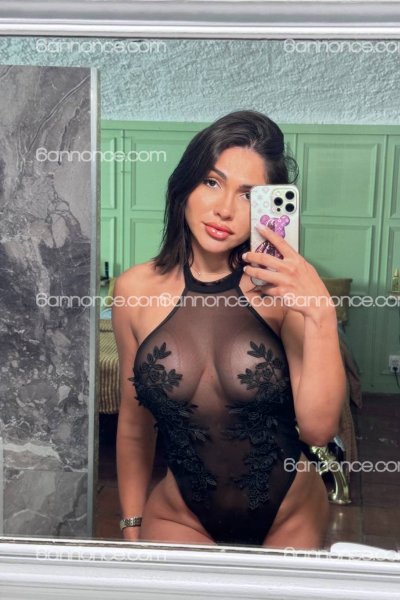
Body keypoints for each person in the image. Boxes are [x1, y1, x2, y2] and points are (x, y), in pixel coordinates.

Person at [112, 110, 347, 549]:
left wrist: (319, 312)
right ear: (184, 185)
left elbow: (318, 430)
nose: (224, 209)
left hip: (289, 512)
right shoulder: (133, 291)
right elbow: (134, 424)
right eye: (211, 182)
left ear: (266, 207)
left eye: (248, 195)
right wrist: (131, 521)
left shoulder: (282, 294)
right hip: (181, 516)